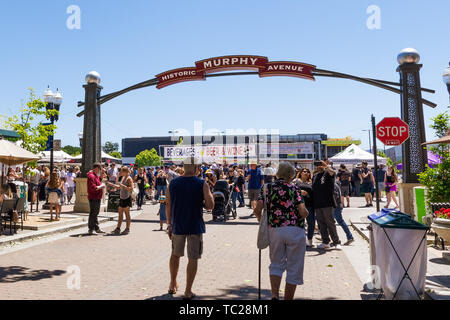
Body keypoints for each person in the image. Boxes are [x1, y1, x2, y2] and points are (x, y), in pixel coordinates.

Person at [254, 162, 309, 300]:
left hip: (275, 229)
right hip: (295, 229)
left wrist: (262, 220)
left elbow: (257, 209)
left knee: (276, 263)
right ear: (291, 175)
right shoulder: (294, 188)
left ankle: (274, 295)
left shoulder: (267, 187)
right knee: (294, 267)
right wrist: (307, 213)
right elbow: (302, 212)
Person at [166, 157, 214, 300]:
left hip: (178, 225)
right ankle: (188, 291)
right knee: (193, 258)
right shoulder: (202, 183)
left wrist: (169, 224)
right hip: (195, 225)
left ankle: (172, 283)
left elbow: (168, 204)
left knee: (175, 254)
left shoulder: (173, 183)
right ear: (196, 169)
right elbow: (210, 205)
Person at [312, 160, 341, 250]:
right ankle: (325, 242)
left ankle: (336, 242)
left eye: (320, 165)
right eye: (317, 165)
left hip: (327, 203)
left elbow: (333, 173)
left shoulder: (327, 173)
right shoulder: (315, 176)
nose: (318, 166)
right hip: (317, 204)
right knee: (321, 224)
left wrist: (326, 166)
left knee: (330, 223)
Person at [294, 168, 315, 247]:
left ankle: (309, 239)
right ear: (300, 173)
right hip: (299, 205)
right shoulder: (296, 181)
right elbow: (291, 190)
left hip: (310, 205)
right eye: (304, 171)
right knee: (299, 223)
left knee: (311, 223)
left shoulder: (311, 183)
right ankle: (300, 240)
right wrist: (300, 192)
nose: (306, 173)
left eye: (308, 172)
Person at [110, 166, 134, 235]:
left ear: (125, 172)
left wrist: (123, 186)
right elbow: (120, 186)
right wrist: (113, 185)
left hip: (127, 197)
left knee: (127, 214)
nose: (120, 173)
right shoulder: (123, 178)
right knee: (120, 213)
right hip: (122, 197)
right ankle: (118, 228)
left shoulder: (129, 179)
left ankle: (127, 228)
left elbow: (131, 188)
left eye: (121, 171)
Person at [87, 163, 106, 235]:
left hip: (96, 197)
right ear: (96, 168)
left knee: (95, 213)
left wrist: (100, 178)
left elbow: (97, 181)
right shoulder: (91, 176)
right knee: (94, 213)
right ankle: (91, 228)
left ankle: (96, 228)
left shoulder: (94, 175)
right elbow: (93, 187)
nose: (100, 171)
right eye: (99, 169)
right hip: (94, 197)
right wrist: (101, 186)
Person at [333, 181, 355, 245]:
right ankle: (326, 236)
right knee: (331, 221)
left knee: (339, 221)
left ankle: (350, 237)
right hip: (337, 206)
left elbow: (334, 196)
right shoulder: (336, 184)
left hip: (335, 206)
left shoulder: (333, 185)